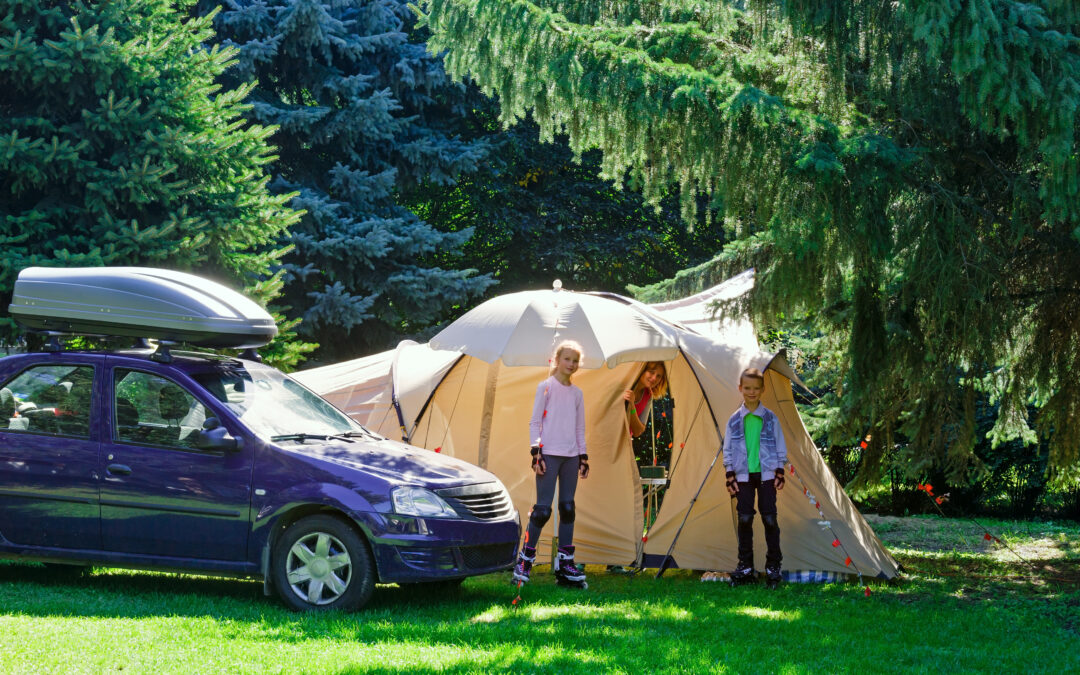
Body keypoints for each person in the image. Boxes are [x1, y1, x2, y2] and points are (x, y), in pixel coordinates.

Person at [513, 340, 590, 588]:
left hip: (571, 456)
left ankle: (566, 563)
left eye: (575, 361)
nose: (572, 364)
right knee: (543, 510)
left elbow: (580, 428)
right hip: (549, 455)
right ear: (557, 360)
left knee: (568, 508)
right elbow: (535, 422)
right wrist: (536, 452)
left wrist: (583, 456)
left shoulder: (577, 394)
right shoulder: (545, 387)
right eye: (567, 359)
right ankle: (525, 560)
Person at [723, 367, 788, 588]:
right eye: (747, 388)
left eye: (756, 389)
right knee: (745, 519)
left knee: (769, 518)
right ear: (740, 389)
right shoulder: (734, 420)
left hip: (767, 475)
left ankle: (773, 568)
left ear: (762, 390)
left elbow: (780, 445)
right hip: (742, 476)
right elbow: (728, 449)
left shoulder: (770, 418)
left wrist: (780, 470)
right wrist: (729, 473)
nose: (751, 392)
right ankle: (745, 567)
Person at [622, 361, 668, 438]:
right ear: (642, 370)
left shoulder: (648, 396)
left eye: (658, 376)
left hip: (624, 442)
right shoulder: (625, 384)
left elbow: (638, 431)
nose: (654, 378)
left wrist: (632, 406)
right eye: (651, 372)